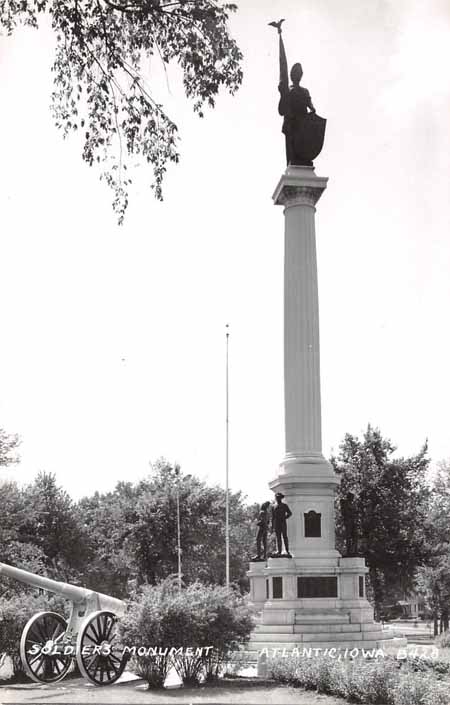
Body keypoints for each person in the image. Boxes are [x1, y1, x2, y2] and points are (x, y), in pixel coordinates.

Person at [278, 62, 316, 166]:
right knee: (293, 155)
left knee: (304, 151)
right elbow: (281, 111)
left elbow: (310, 103)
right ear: (292, 75)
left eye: (300, 72)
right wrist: (282, 94)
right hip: (291, 125)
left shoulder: (305, 91)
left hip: (303, 125)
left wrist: (312, 108)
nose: (299, 75)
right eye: (296, 72)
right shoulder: (288, 90)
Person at [271, 492, 292, 557]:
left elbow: (290, 513)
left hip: (282, 522)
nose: (277, 498)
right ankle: (279, 551)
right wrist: (272, 526)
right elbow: (273, 517)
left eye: (279, 497)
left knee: (285, 536)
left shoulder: (284, 505)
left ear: (281, 498)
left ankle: (287, 550)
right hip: (277, 523)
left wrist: (284, 517)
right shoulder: (273, 506)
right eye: (276, 497)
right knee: (278, 537)